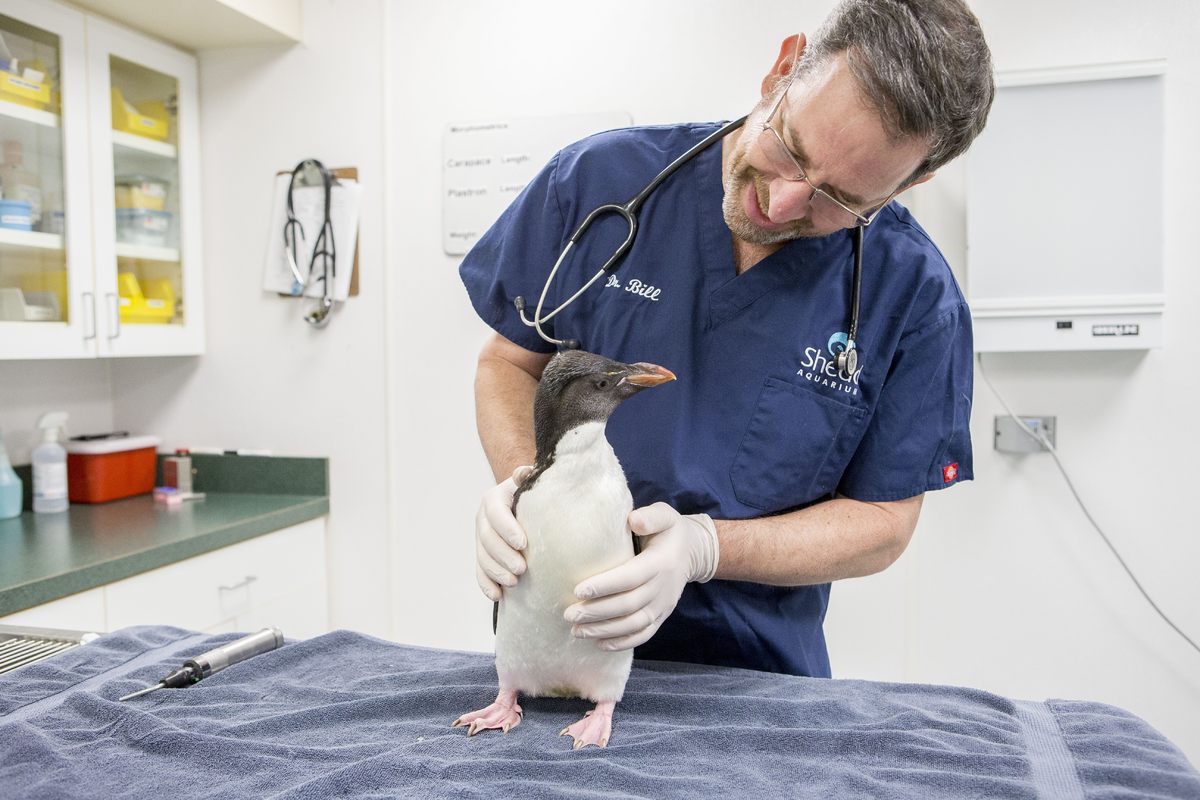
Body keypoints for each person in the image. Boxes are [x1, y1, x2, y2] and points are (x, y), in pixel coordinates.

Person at [459, 0, 993, 678]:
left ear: (912, 183)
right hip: (557, 646)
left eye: (840, 199)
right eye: (790, 150)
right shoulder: (596, 184)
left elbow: (884, 523)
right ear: (779, 73)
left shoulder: (915, 299)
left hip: (758, 685)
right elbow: (509, 360)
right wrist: (522, 488)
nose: (783, 203)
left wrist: (704, 548)